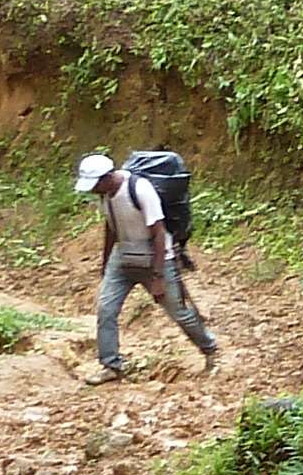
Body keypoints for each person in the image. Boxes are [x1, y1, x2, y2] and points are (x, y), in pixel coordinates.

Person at [77, 149, 218, 380]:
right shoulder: (104, 196)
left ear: (106, 178)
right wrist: (105, 264)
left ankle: (210, 349)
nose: (92, 190)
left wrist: (158, 277)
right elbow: (111, 227)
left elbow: (159, 233)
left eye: (94, 184)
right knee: (106, 309)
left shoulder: (140, 189)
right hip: (122, 258)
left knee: (180, 312)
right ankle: (111, 365)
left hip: (154, 258)